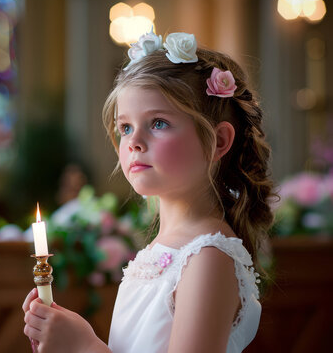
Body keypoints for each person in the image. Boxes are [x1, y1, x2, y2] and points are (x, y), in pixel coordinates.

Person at [22, 30, 275, 353]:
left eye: (157, 123)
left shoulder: (208, 259)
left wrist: (84, 346)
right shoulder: (165, 247)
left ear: (219, 141)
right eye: (125, 127)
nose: (133, 142)